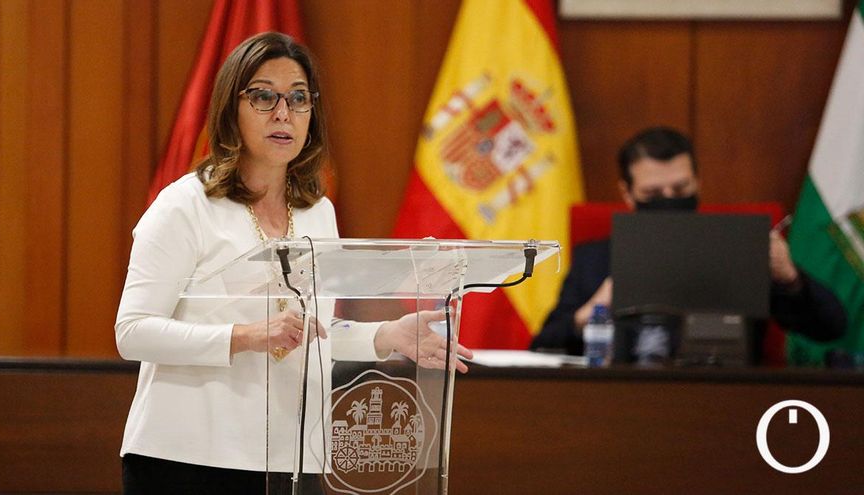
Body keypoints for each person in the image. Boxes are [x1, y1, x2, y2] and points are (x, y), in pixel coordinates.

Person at [115, 32, 473, 494]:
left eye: (298, 98)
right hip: (187, 458)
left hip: (293, 460)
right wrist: (246, 337)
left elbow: (305, 331)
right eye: (264, 96)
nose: (283, 113)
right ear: (231, 109)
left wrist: (383, 336)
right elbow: (133, 331)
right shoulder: (186, 205)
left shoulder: (316, 211)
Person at [530, 126, 846, 360]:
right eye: (653, 195)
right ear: (627, 194)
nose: (668, 201)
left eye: (680, 190)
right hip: (622, 398)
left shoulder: (737, 248)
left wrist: (789, 277)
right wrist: (589, 314)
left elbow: (830, 327)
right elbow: (544, 346)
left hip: (728, 401)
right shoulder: (595, 258)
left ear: (697, 182)